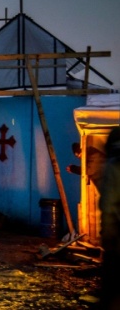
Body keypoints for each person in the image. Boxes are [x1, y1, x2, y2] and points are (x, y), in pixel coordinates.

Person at [98, 126, 120, 310]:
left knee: (112, 291)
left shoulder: (114, 166)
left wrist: (107, 240)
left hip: (117, 242)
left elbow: (109, 205)